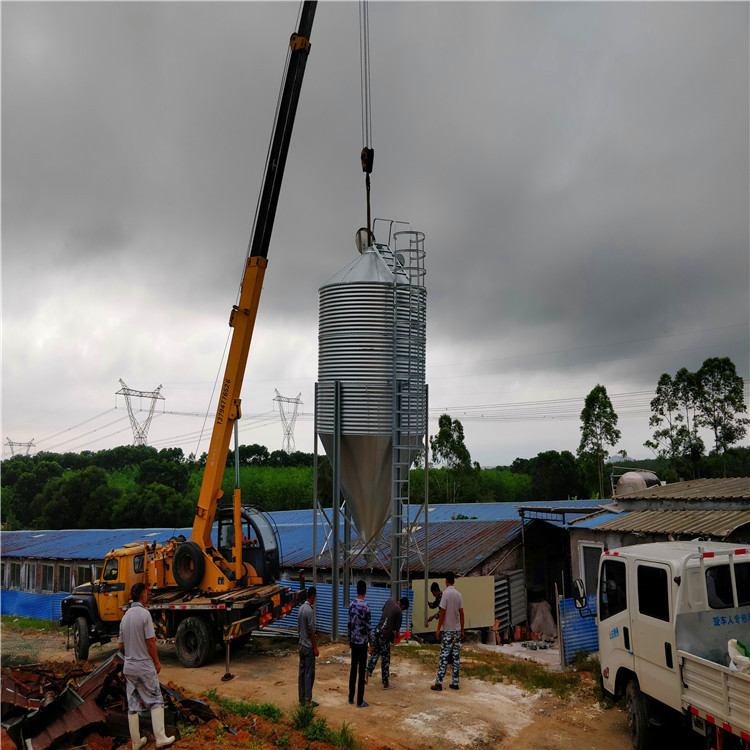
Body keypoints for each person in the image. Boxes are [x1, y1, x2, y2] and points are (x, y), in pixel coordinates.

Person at [118, 582, 175, 749]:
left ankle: (136, 743)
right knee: (156, 700)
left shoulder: (125, 617)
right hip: (144, 666)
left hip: (129, 667)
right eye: (146, 594)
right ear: (143, 595)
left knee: (133, 704)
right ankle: (160, 738)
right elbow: (151, 642)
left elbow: (121, 646)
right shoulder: (145, 615)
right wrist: (157, 662)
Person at [365, 596, 409, 690]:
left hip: (377, 630)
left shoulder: (389, 601)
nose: (403, 610)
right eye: (404, 609)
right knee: (385, 659)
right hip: (385, 635)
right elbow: (397, 632)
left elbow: (385, 615)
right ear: (403, 606)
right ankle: (386, 683)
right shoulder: (399, 612)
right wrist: (399, 637)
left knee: (375, 653)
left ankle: (366, 673)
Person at [431, 571, 464, 692]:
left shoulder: (445, 594)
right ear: (454, 581)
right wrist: (463, 629)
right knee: (456, 658)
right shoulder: (458, 595)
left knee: (444, 657)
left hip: (448, 631)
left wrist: (439, 628)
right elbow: (461, 613)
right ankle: (455, 682)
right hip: (457, 630)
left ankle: (439, 683)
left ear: (446, 581)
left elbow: (442, 612)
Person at [347, 580, 372, 708]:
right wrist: (371, 643)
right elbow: (368, 627)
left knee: (353, 669)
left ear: (357, 590)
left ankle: (351, 697)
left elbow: (349, 624)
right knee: (361, 671)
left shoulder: (351, 605)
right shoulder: (366, 606)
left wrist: (349, 639)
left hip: (354, 641)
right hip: (362, 643)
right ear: (365, 591)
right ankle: (360, 701)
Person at [298, 586, 319, 706]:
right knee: (309, 673)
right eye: (315, 597)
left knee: (301, 672)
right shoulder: (309, 611)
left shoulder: (300, 609)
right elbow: (311, 630)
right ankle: (308, 700)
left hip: (301, 644)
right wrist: (315, 647)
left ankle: (301, 699)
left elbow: (299, 629)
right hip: (308, 647)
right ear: (312, 596)